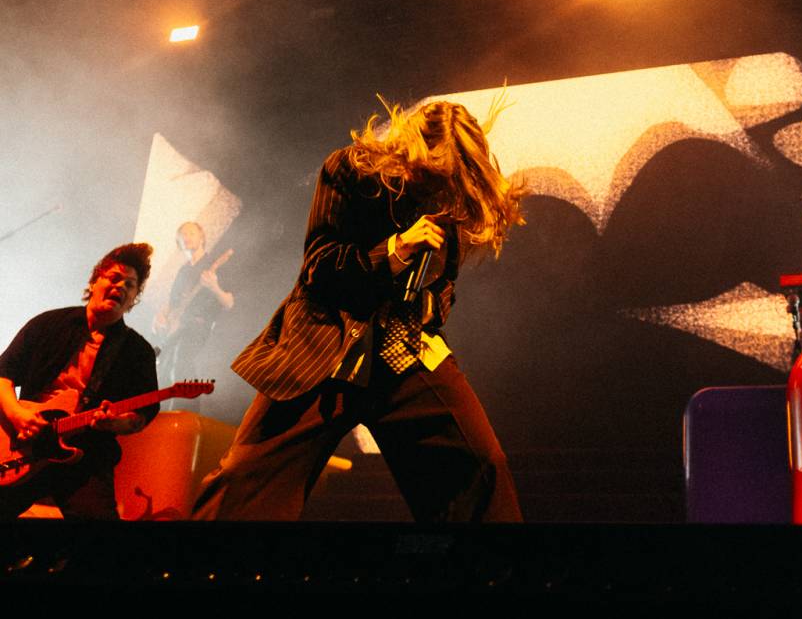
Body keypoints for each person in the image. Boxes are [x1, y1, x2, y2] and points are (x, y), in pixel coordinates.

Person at [193, 98, 525, 523]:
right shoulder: (350, 170)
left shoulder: (452, 199)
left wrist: (429, 305)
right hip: (326, 345)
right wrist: (395, 251)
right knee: (243, 481)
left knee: (481, 469)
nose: (433, 187)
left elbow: (445, 288)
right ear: (409, 149)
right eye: (429, 173)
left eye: (445, 179)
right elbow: (319, 267)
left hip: (403, 353)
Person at [0, 243, 158, 519]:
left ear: (134, 298)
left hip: (86, 458)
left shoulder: (137, 351)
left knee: (99, 534)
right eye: (114, 278)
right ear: (95, 281)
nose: (121, 287)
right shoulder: (48, 324)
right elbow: (4, 374)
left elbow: (142, 415)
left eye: (130, 285)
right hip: (24, 444)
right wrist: (17, 416)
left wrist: (116, 423)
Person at [154, 221, 234, 386]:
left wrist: (214, 286)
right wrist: (161, 316)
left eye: (191, 233)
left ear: (202, 238)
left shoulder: (214, 265)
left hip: (197, 328)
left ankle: (188, 401)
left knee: (180, 366)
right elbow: (173, 302)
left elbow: (229, 303)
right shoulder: (183, 270)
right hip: (177, 326)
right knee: (161, 369)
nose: (187, 237)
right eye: (183, 234)